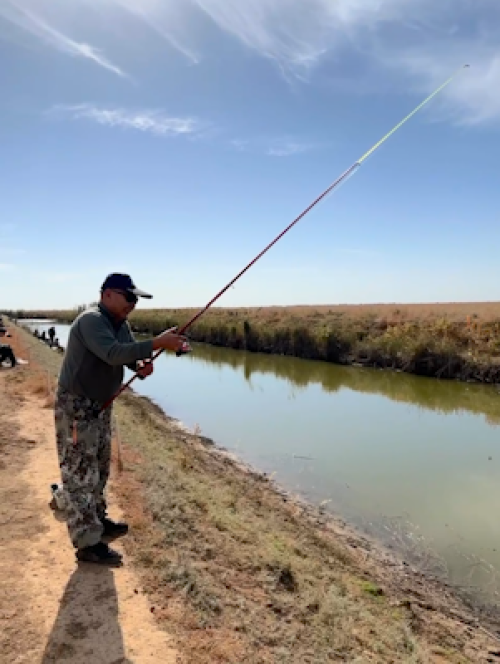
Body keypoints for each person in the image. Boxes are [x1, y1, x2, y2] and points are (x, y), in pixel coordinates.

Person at [54, 273, 189, 566]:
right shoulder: (91, 320)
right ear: (108, 295)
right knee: (79, 474)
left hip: (101, 405)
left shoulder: (120, 324)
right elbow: (113, 353)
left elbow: (127, 357)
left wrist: (140, 366)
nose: (133, 303)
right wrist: (158, 342)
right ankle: (87, 543)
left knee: (99, 467)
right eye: (129, 297)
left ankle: (98, 522)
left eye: (136, 299)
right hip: (76, 407)